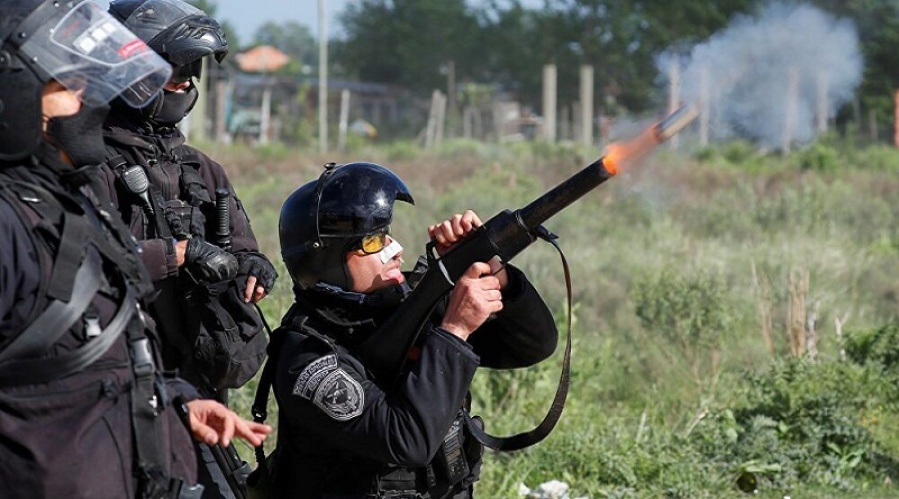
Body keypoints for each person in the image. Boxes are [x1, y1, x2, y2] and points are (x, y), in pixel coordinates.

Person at [0, 1, 270, 498]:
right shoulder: (17, 219)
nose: (92, 102)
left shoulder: (68, 197)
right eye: (70, 87)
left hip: (153, 423)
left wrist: (173, 403)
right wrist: (179, 253)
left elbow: (87, 364)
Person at [270, 162, 559, 498]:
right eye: (373, 241)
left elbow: (532, 345)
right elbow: (406, 440)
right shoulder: (307, 358)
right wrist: (453, 330)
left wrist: (496, 275)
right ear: (331, 260)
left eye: (387, 234)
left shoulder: (405, 303)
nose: (396, 249)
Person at [97, 0, 277, 401]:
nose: (185, 81)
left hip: (199, 375)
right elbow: (88, 265)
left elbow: (244, 247)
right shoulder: (90, 165)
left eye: (191, 71)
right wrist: (178, 253)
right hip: (122, 375)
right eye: (174, 69)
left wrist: (253, 268)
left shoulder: (204, 169)